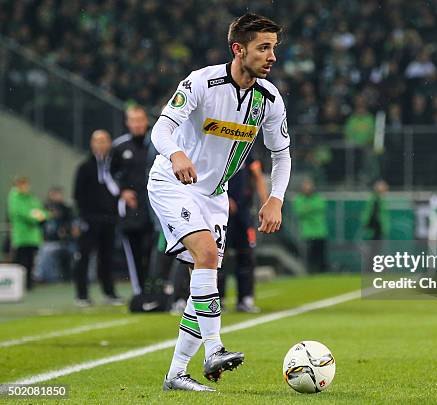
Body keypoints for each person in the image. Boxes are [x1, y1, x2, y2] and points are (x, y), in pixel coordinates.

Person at [147, 14, 291, 392]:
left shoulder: (270, 99)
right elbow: (160, 128)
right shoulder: (202, 82)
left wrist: (275, 198)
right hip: (173, 181)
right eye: (263, 47)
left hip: (214, 195)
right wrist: (177, 154)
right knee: (207, 256)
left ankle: (176, 373)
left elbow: (282, 154)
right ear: (238, 49)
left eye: (274, 48)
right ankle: (214, 348)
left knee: (204, 281)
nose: (271, 56)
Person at [73, 130, 122, 307]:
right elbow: (77, 195)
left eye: (104, 141)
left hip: (109, 219)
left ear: (110, 143)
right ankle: (81, 295)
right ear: (92, 144)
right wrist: (82, 218)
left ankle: (109, 292)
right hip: (90, 219)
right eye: (97, 141)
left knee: (107, 257)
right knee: (84, 257)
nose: (101, 144)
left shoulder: (114, 166)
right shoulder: (85, 167)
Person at [111, 105, 154, 294]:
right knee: (135, 251)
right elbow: (108, 175)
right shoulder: (119, 147)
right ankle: (140, 291)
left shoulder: (156, 143)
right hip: (132, 209)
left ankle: (157, 288)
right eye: (133, 121)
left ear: (146, 121)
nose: (137, 124)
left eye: (140, 120)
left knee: (155, 249)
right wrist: (122, 192)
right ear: (127, 123)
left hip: (156, 206)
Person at [218, 154, 268, 313]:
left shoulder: (247, 149)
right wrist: (223, 198)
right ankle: (218, 299)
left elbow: (257, 174)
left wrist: (266, 202)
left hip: (244, 212)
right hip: (220, 211)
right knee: (218, 256)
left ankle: (245, 298)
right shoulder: (219, 144)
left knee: (246, 255)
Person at [7, 177, 47, 290]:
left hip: (33, 236)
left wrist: (41, 215)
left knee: (30, 261)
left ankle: (29, 283)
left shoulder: (31, 198)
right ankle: (19, 284)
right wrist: (36, 217)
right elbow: (22, 213)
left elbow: (41, 211)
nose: (25, 187)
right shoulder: (14, 198)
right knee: (21, 261)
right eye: (22, 185)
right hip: (21, 236)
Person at [293, 178, 329, 272]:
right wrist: (312, 209)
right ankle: (311, 272)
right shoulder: (299, 199)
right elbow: (299, 210)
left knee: (321, 255)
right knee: (310, 256)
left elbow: (321, 206)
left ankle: (322, 272)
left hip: (320, 231)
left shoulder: (317, 198)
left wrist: (307, 208)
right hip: (308, 232)